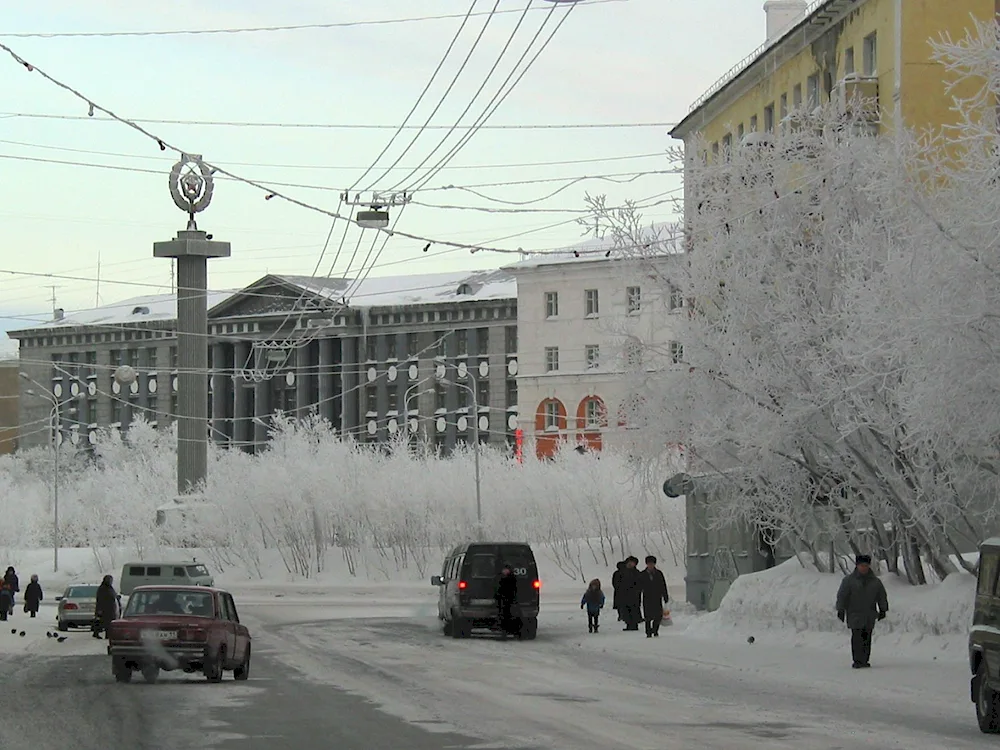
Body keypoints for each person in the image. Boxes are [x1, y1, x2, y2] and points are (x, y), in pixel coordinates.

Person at [836, 554, 889, 669]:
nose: (864, 568)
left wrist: (883, 609)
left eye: (866, 565)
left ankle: (865, 659)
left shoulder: (875, 582)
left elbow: (881, 596)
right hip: (854, 613)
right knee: (857, 637)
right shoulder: (849, 581)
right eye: (861, 565)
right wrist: (840, 609)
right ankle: (857, 660)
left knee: (867, 637)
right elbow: (842, 596)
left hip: (869, 614)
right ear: (857, 566)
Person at [640, 555, 670, 638]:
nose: (650, 565)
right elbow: (638, 586)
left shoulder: (659, 573)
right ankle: (648, 632)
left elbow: (663, 585)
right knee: (648, 616)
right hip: (647, 597)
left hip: (657, 596)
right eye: (649, 564)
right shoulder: (642, 574)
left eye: (652, 564)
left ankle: (655, 629)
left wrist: (665, 596)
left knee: (658, 615)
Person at [495, 563, 520, 639]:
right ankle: (504, 632)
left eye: (506, 570)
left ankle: (512, 632)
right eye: (504, 570)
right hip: (502, 600)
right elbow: (498, 588)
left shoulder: (511, 578)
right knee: (503, 617)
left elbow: (514, 589)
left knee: (509, 617)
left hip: (509, 600)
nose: (505, 571)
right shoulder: (500, 578)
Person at [618, 556, 643, 631]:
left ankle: (634, 624)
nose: (631, 564)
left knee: (634, 610)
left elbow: (640, 583)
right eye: (629, 562)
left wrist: (637, 590)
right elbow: (617, 582)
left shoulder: (637, 573)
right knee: (626, 610)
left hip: (634, 595)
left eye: (633, 563)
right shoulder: (622, 572)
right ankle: (628, 624)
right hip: (624, 594)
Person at [93, 575, 119, 640]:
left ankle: (107, 634)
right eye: (109, 580)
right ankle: (97, 633)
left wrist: (116, 597)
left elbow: (113, 595)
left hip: (110, 608)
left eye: (111, 580)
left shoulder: (110, 588)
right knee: (103, 621)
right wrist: (99, 609)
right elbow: (100, 599)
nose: (110, 581)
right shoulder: (102, 588)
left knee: (108, 621)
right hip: (104, 608)